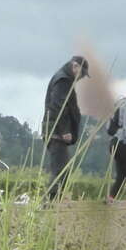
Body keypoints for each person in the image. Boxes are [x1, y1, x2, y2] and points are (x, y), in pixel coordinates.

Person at [42, 55, 90, 199]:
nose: (81, 77)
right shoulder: (63, 81)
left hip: (55, 131)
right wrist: (64, 130)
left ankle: (52, 203)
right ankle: (48, 204)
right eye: (82, 73)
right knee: (60, 171)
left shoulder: (64, 79)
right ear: (75, 66)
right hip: (56, 132)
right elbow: (58, 106)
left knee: (62, 170)